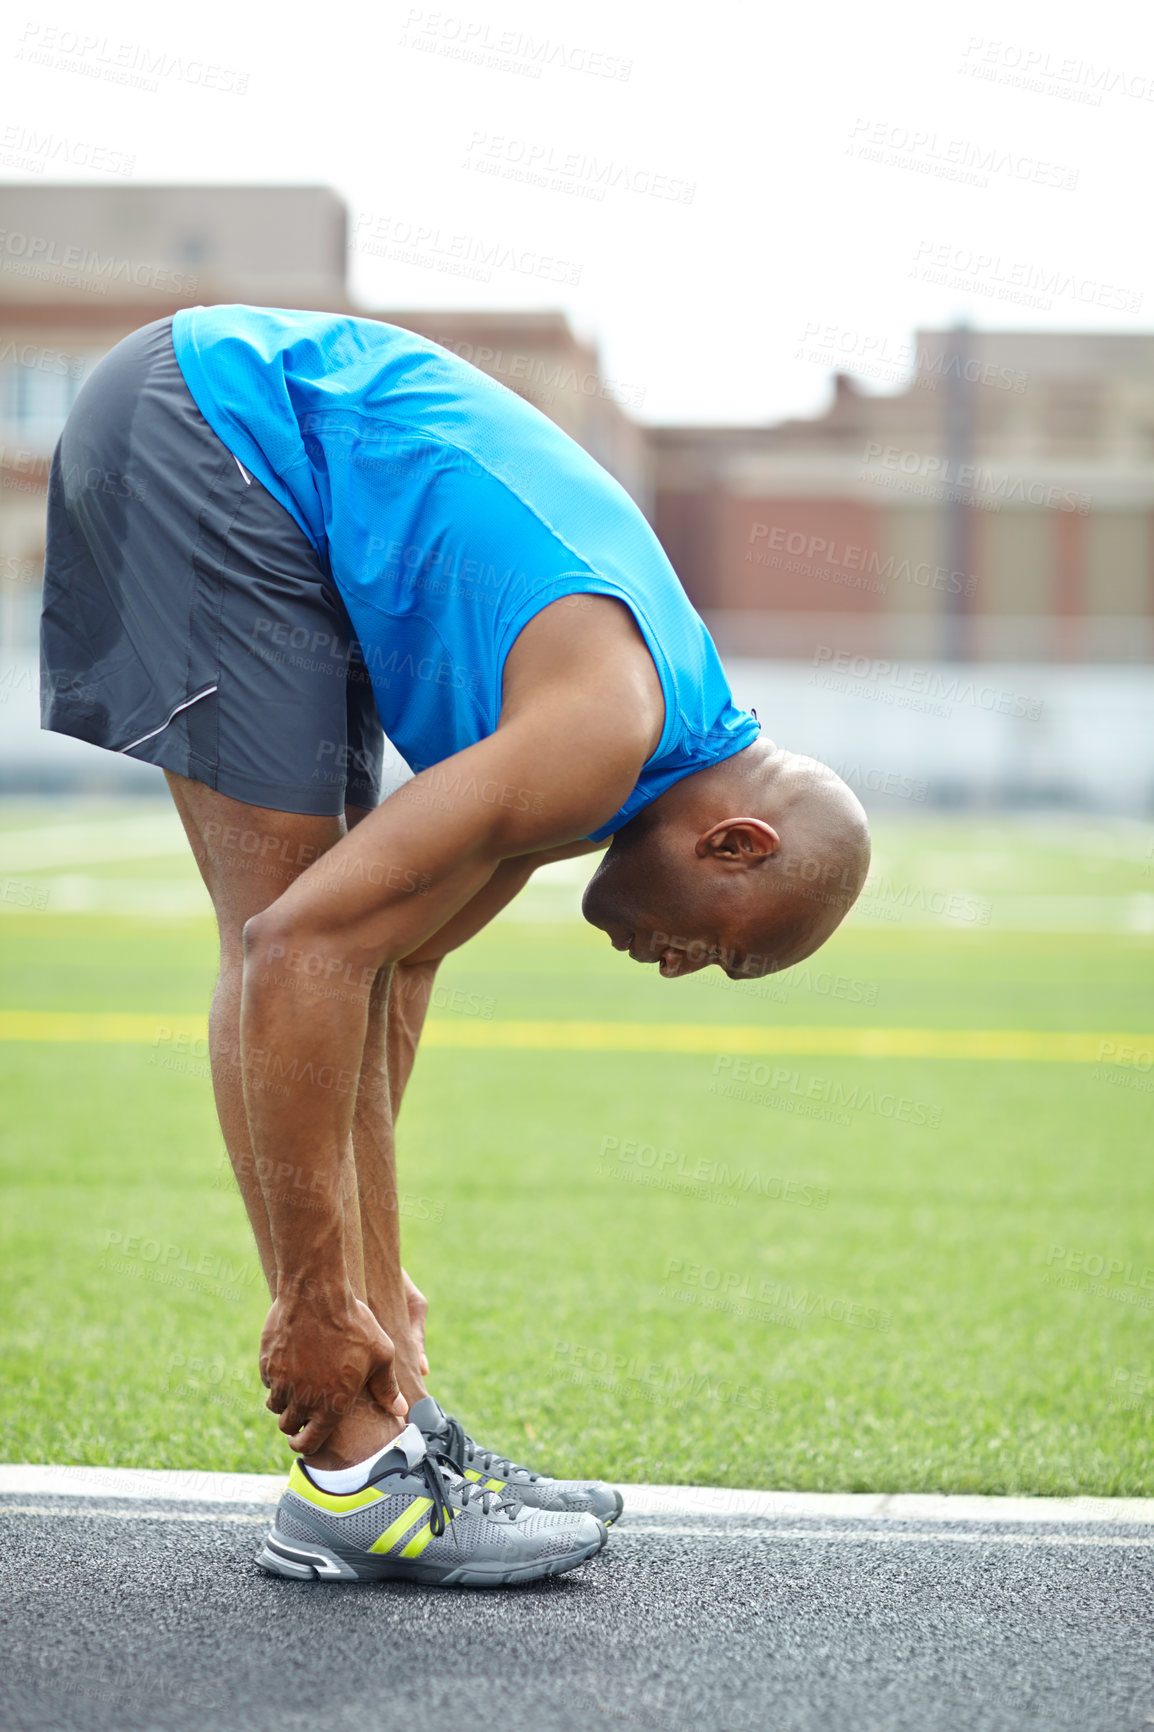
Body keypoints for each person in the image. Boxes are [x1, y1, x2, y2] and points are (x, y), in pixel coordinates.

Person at [40, 306, 870, 1586]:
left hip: (261, 461)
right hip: (213, 425)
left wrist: (377, 1276)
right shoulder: (599, 731)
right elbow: (296, 951)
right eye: (723, 951)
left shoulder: (634, 749)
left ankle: (394, 1428)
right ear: (737, 846)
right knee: (287, 906)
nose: (680, 967)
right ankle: (355, 1479)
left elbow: (398, 964)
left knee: (340, 928)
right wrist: (317, 1298)